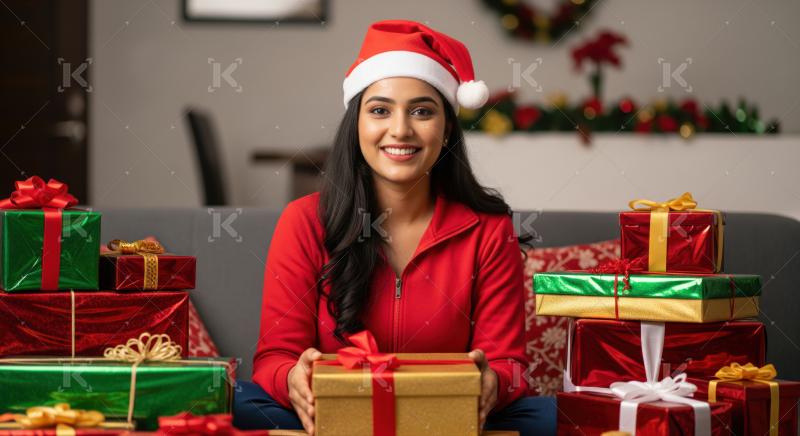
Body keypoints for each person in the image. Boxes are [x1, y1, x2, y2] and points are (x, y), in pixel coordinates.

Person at [233, 19, 556, 436]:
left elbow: (509, 365)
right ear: (357, 126)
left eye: (422, 111)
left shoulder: (489, 230)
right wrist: (293, 378)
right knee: (236, 400)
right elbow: (275, 357)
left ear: (446, 130)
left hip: (449, 416)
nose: (400, 130)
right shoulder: (303, 220)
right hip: (337, 413)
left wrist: (493, 382)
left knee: (552, 417)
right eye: (380, 110)